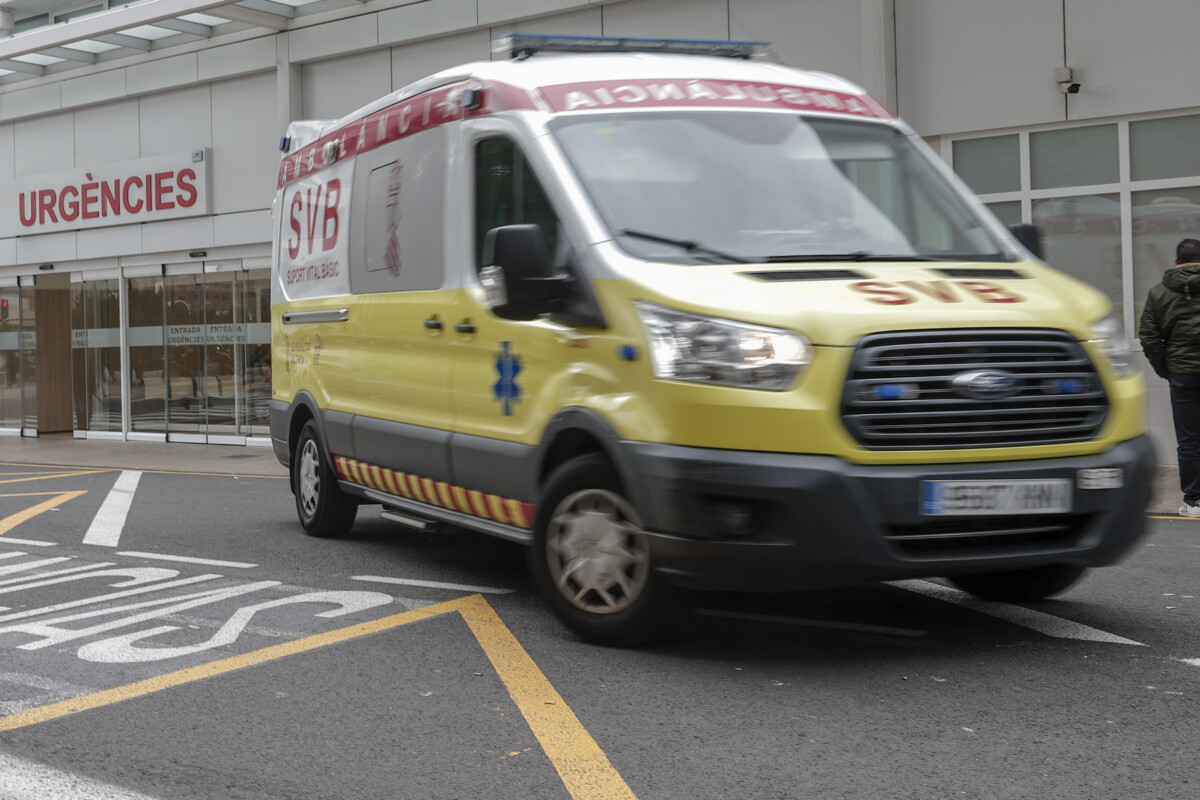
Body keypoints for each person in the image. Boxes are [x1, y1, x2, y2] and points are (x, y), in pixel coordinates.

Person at [1139, 238, 1200, 516]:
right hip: (1182, 370)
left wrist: (1167, 369)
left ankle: (1194, 502)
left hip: (1183, 374)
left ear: (1177, 262)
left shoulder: (1159, 292)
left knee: (1189, 439)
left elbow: (1150, 337)